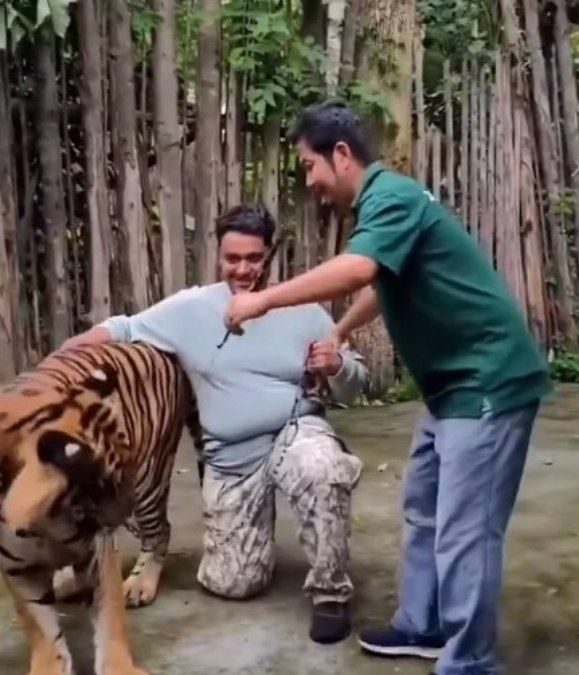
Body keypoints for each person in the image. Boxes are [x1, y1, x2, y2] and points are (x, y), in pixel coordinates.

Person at [223, 100, 552, 675]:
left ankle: (470, 660)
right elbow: (382, 277)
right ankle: (424, 625)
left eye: (309, 165)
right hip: (451, 388)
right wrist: (342, 328)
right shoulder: (386, 206)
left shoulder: (391, 197)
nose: (310, 181)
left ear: (341, 155)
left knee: (465, 530)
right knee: (423, 509)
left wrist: (262, 300)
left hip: (488, 381)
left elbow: (357, 270)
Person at [59, 205, 368, 643]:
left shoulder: (304, 309)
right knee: (233, 583)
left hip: (296, 430)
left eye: (254, 258)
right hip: (233, 460)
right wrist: (63, 357)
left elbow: (355, 387)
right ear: (218, 254)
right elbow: (125, 328)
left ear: (270, 256)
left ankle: (330, 592)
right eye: (233, 258)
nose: (243, 269)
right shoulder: (192, 309)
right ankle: (253, 532)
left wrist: (337, 365)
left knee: (321, 466)